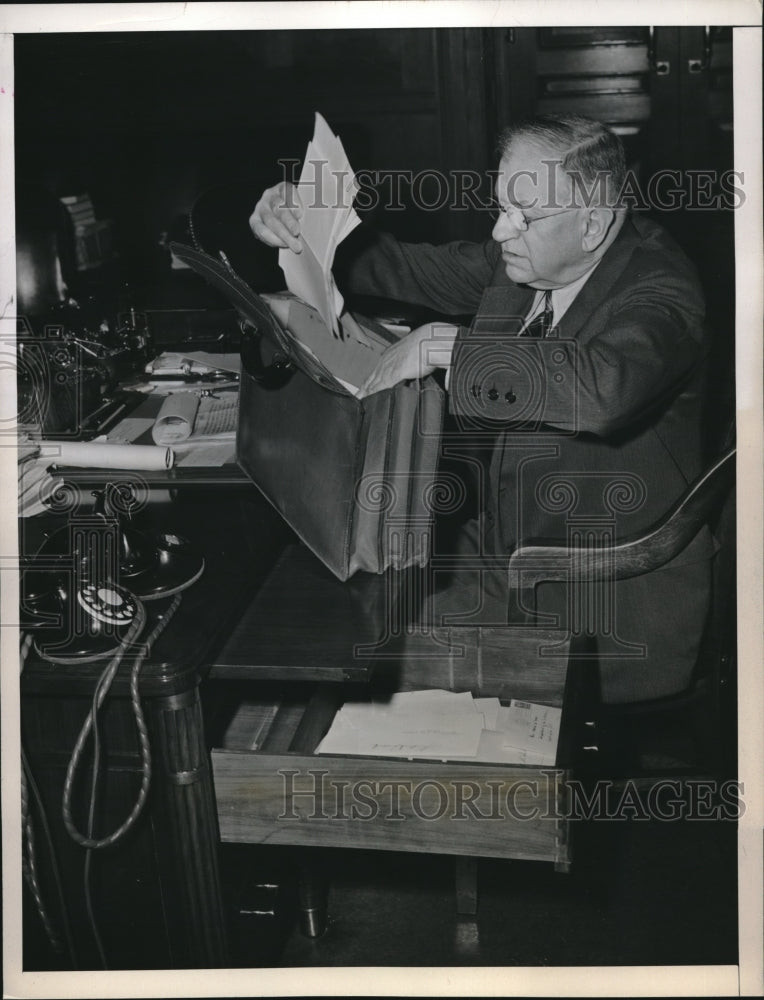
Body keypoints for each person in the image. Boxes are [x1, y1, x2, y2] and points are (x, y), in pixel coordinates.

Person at [249, 114, 716, 705]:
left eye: (524, 216)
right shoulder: (532, 256)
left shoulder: (663, 288)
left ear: (594, 224)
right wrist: (300, 224)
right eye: (500, 206)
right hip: (503, 539)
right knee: (318, 600)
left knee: (338, 651)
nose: (500, 231)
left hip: (592, 601)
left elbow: (603, 390)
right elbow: (401, 267)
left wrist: (448, 346)